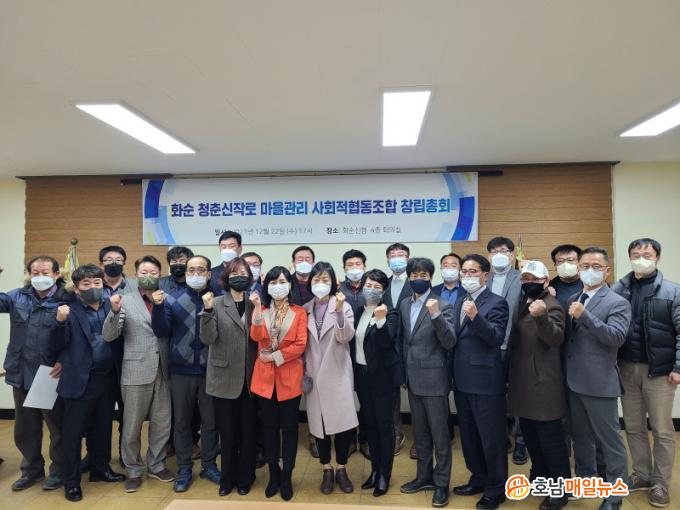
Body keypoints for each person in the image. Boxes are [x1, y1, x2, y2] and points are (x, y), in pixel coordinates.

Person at [612, 238, 680, 508]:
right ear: (629, 257)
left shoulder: (673, 291)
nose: (641, 258)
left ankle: (660, 483)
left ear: (657, 258)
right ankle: (641, 474)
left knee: (662, 430)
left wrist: (678, 367)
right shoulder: (618, 289)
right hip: (626, 368)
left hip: (660, 372)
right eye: (636, 254)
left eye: (647, 254)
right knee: (633, 426)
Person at [565, 247, 631, 510]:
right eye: (584, 266)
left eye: (595, 266)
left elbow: (616, 337)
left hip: (600, 382)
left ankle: (615, 496)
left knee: (610, 441)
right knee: (580, 437)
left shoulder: (617, 302)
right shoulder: (575, 296)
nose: (589, 270)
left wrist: (585, 316)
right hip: (573, 381)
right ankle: (585, 481)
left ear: (607, 270)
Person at [54, 264, 125, 502]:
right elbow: (54, 345)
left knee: (103, 428)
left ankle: (100, 469)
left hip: (108, 378)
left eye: (96, 283)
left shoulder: (110, 305)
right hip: (80, 380)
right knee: (72, 434)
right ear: (76, 289)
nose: (93, 287)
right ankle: (71, 481)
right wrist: (59, 322)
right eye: (86, 284)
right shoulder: (67, 310)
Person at [102, 255, 173, 493]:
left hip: (164, 370)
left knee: (162, 423)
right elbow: (110, 335)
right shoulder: (124, 301)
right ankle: (133, 469)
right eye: (144, 272)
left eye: (153, 272)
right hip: (135, 370)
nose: (148, 276)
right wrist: (114, 312)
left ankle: (157, 464)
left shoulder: (168, 299)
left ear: (160, 275)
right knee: (131, 425)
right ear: (136, 275)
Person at [1, 256, 71, 492]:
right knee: (25, 427)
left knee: (56, 428)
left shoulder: (67, 298)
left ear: (56, 274)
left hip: (48, 373)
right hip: (20, 371)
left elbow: (77, 335)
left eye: (45, 272)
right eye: (35, 272)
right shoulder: (17, 296)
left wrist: (64, 360)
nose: (39, 277)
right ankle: (31, 470)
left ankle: (58, 472)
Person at [151, 255, 220, 492]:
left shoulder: (219, 300)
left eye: (201, 270)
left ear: (209, 274)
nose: (196, 274)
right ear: (186, 273)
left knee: (211, 422)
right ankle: (184, 469)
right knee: (181, 423)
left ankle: (209, 465)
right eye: (191, 270)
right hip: (181, 371)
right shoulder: (172, 299)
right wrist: (158, 307)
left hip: (211, 371)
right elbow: (161, 330)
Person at [507, 261, 570, 510]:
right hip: (525, 385)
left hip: (544, 386)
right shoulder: (527, 301)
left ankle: (560, 491)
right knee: (532, 437)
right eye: (525, 279)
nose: (529, 283)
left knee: (551, 441)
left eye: (534, 279)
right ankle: (541, 477)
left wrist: (542, 316)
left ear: (545, 281)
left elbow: (555, 338)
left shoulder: (551, 305)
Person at [451, 254, 509, 510]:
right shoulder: (460, 301)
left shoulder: (497, 302)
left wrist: (476, 317)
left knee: (491, 438)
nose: (467, 276)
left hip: (486, 382)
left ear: (486, 275)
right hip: (462, 380)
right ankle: (478, 478)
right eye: (464, 271)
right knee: (470, 436)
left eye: (473, 271)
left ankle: (496, 489)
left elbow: (496, 338)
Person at [398, 257, 457, 508]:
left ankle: (442, 484)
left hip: (434, 380)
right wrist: (403, 374)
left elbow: (449, 341)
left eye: (423, 275)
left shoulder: (443, 305)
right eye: (414, 275)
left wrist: (435, 315)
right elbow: (405, 341)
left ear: (431, 277)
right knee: (420, 434)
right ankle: (424, 477)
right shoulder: (404, 304)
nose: (418, 279)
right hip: (412, 379)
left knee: (440, 436)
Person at [200, 257, 258, 496]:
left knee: (248, 434)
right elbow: (208, 338)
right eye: (234, 273)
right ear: (226, 278)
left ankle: (246, 478)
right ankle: (227, 479)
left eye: (243, 273)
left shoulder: (255, 303)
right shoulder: (215, 302)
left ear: (250, 277)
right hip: (223, 378)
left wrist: (260, 310)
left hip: (251, 379)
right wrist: (207, 311)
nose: (239, 277)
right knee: (227, 434)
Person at [249, 266, 308, 501]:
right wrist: (256, 309)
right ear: (267, 287)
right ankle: (274, 472)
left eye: (282, 281)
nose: (278, 286)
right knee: (269, 428)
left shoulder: (299, 312)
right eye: (273, 282)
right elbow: (256, 337)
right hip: (264, 380)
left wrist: (274, 356)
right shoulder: (262, 310)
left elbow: (300, 345)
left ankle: (287, 475)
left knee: (290, 429)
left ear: (290, 285)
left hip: (289, 378)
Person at [303, 262, 357, 495]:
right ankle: (326, 468)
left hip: (337, 373)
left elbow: (345, 337)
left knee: (343, 426)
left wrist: (339, 311)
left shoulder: (343, 305)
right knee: (320, 427)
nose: (320, 284)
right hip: (314, 374)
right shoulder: (305, 308)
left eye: (325, 280)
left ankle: (342, 468)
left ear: (334, 282)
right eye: (316, 280)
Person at [352, 269, 402, 497]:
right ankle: (374, 470)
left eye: (377, 287)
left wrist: (381, 320)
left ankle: (384, 475)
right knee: (370, 425)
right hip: (362, 376)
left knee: (384, 426)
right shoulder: (358, 311)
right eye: (368, 285)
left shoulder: (390, 312)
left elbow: (387, 343)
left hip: (382, 378)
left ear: (384, 290)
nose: (371, 290)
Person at [485, 236, 525, 465]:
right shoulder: (483, 278)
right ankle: (502, 438)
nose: (498, 254)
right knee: (494, 394)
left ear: (512, 254)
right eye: (494, 251)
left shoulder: (523, 277)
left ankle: (520, 441)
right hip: (489, 346)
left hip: (516, 344)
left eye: (503, 250)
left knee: (518, 394)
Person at [338, 248, 370, 460]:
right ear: (344, 268)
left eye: (358, 264)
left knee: (366, 398)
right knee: (346, 398)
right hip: (344, 352)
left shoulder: (372, 288)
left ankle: (365, 439)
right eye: (350, 265)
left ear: (364, 266)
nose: (354, 268)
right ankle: (348, 439)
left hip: (367, 353)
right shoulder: (338, 291)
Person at [383, 242, 412, 456]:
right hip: (388, 347)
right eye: (393, 255)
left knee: (417, 395)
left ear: (408, 259)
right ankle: (396, 433)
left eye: (401, 255)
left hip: (411, 346)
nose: (397, 259)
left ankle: (421, 439)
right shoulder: (382, 284)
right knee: (391, 395)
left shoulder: (417, 283)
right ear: (387, 260)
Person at [548, 244, 583, 310]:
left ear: (580, 263)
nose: (565, 264)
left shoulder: (590, 284)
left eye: (570, 260)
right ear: (555, 266)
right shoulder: (549, 286)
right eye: (560, 261)